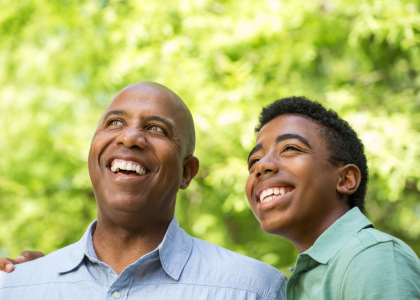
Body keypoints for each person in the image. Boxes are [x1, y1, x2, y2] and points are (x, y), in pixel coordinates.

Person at [0, 82, 287, 300]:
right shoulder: (15, 287)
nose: (130, 137)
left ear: (186, 172)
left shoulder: (255, 289)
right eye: (115, 123)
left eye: (157, 129)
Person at [246, 96, 420, 299]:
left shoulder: (370, 256)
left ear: (345, 180)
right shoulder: (307, 277)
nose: (260, 166)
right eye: (254, 161)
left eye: (290, 148)